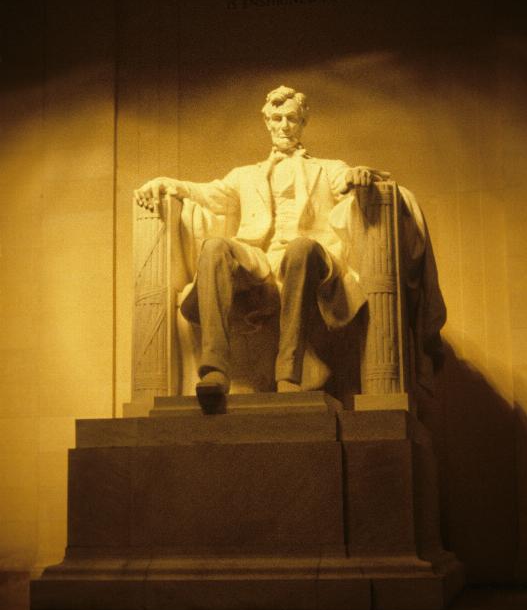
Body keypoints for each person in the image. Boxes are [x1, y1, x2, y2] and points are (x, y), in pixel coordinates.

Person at [134, 85, 388, 394]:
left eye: (292, 119)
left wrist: (357, 175)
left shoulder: (328, 168)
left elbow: (346, 180)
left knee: (301, 248)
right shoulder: (245, 175)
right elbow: (209, 193)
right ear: (267, 123)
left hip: (309, 256)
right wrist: (169, 183)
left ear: (303, 123)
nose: (284, 126)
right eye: (278, 118)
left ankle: (289, 374)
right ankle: (215, 370)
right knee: (214, 247)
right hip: (261, 259)